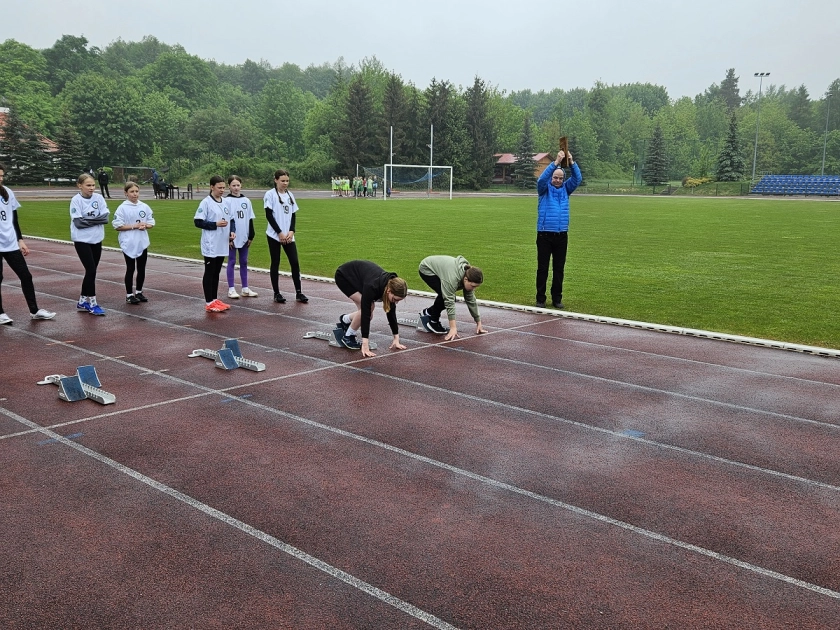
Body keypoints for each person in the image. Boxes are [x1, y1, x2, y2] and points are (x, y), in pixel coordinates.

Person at [0, 163, 56, 324]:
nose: (1, 179)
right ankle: (0, 313)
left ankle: (35, 310)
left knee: (26, 276)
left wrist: (20, 240)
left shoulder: (8, 193)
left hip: (10, 243)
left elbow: (14, 219)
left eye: (2, 176)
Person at [535, 149, 581, 309]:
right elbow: (541, 179)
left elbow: (577, 179)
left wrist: (571, 162)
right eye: (555, 177)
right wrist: (555, 163)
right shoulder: (544, 189)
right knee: (543, 268)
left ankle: (557, 298)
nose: (557, 180)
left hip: (561, 235)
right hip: (544, 234)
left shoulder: (566, 190)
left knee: (559, 269)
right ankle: (540, 298)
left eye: (560, 178)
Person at [334, 260, 407, 357]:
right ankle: (348, 336)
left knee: (369, 315)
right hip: (344, 276)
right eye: (395, 299)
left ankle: (345, 319)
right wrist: (365, 344)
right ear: (389, 291)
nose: (396, 302)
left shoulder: (390, 285)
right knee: (369, 309)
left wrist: (396, 338)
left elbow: (391, 313)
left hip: (359, 278)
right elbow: (365, 313)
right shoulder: (373, 286)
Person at [263, 169, 307, 304]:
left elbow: (293, 215)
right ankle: (277, 293)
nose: (285, 183)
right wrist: (279, 232)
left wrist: (292, 231)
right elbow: (269, 215)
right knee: (275, 262)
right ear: (276, 180)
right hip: (274, 235)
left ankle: (299, 292)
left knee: (294, 262)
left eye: (287, 181)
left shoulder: (290, 195)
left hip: (288, 236)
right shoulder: (270, 195)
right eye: (282, 181)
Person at [418, 255, 487, 341]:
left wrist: (478, 322)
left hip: (443, 269)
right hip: (427, 268)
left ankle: (427, 312)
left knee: (447, 296)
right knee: (445, 296)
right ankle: (433, 321)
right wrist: (453, 328)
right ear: (465, 279)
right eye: (473, 286)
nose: (473, 289)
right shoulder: (452, 279)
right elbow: (449, 301)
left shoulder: (468, 274)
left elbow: (471, 300)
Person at [70, 172, 110, 316]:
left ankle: (82, 301)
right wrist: (96, 220)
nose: (92, 188)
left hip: (96, 239)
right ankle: (92, 303)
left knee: (91, 271)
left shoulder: (99, 198)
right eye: (88, 185)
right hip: (81, 239)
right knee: (91, 270)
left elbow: (105, 218)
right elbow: (79, 223)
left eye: (93, 185)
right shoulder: (76, 200)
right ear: (80, 186)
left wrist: (89, 221)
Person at [194, 175, 235, 313]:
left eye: (224, 187)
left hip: (222, 242)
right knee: (210, 272)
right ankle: (208, 301)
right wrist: (215, 224)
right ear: (212, 187)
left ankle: (214, 299)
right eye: (219, 187)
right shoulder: (205, 203)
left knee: (217, 272)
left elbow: (232, 219)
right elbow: (198, 222)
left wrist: (232, 232)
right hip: (211, 243)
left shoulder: (226, 202)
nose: (222, 190)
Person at [112, 182, 154, 305]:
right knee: (130, 268)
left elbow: (151, 222)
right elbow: (117, 226)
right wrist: (134, 226)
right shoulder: (122, 208)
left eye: (136, 191)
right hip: (129, 242)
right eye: (132, 192)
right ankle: (129, 294)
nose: (135, 194)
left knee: (141, 269)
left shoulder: (144, 206)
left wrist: (146, 225)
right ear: (126, 193)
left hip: (142, 241)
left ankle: (139, 292)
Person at [225, 175, 257, 299]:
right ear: (229, 186)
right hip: (232, 237)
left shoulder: (246, 201)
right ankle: (231, 289)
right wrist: (228, 236)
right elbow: (226, 220)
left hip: (244, 235)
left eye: (238, 185)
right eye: (233, 185)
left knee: (244, 261)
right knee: (232, 261)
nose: (236, 188)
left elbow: (250, 219)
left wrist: (251, 236)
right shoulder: (226, 201)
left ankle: (245, 288)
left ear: (241, 185)